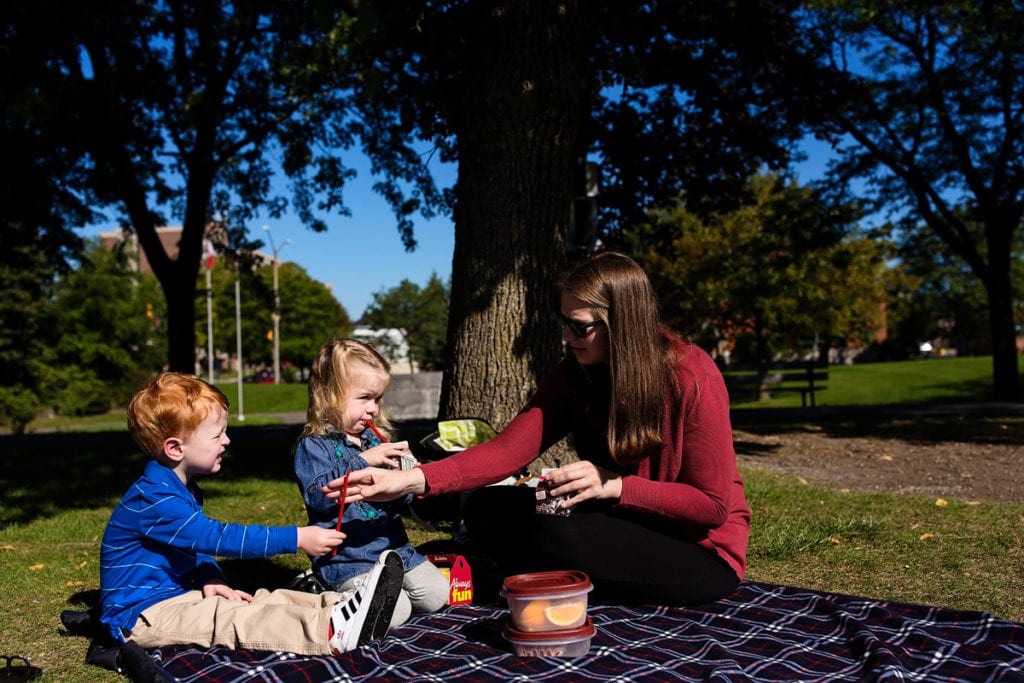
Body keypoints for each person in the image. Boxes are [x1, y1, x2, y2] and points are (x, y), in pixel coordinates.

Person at [328, 252, 751, 606]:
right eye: (563, 322)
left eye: (579, 326)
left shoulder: (691, 375)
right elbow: (509, 450)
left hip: (700, 552)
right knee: (488, 508)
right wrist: (411, 480)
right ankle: (490, 568)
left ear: (622, 323)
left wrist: (615, 486)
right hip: (620, 519)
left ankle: (483, 578)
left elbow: (712, 507)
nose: (567, 337)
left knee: (554, 531)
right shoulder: (576, 372)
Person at [100, 372, 404, 656]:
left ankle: (344, 605)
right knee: (235, 618)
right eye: (217, 435)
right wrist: (296, 537)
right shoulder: (155, 499)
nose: (227, 440)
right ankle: (328, 631)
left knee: (262, 599)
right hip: (143, 616)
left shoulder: (178, 488)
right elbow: (215, 538)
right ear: (175, 448)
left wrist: (209, 575)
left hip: (178, 597)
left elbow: (194, 545)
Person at [293, 339, 449, 626]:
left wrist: (408, 478)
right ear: (329, 395)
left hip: (395, 549)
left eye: (378, 399)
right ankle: (321, 589)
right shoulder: (314, 446)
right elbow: (319, 496)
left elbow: (401, 501)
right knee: (396, 611)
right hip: (347, 560)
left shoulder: (375, 440)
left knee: (437, 594)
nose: (373, 409)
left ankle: (380, 590)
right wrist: (363, 461)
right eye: (364, 398)